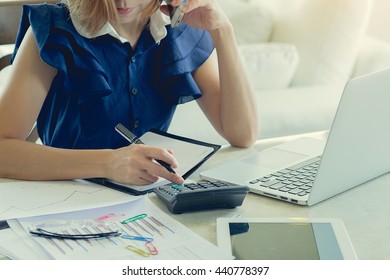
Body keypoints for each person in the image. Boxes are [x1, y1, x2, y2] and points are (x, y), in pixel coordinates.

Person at [0, 0, 258, 186]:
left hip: (149, 204)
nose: (122, 2)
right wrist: (107, 163)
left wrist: (223, 31)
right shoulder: (54, 29)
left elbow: (243, 134)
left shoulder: (179, 30)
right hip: (66, 200)